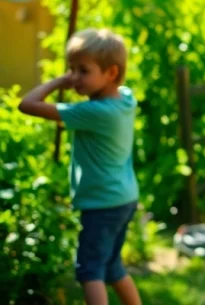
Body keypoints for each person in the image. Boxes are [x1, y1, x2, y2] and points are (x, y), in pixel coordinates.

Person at [18, 29, 142, 305]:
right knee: (111, 267)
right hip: (123, 198)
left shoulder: (94, 112)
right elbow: (118, 87)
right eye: (70, 69)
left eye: (82, 70)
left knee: (90, 271)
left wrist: (58, 80)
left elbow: (27, 104)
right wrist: (79, 75)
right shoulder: (124, 99)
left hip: (102, 202)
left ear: (111, 72)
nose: (73, 78)